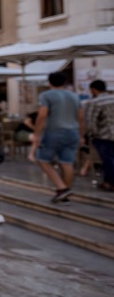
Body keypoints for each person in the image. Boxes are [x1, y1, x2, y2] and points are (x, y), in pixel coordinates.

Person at [30, 72, 84, 203]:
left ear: (49, 82)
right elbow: (81, 117)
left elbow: (42, 115)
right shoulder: (75, 96)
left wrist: (37, 134)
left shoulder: (46, 95)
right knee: (67, 162)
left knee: (42, 159)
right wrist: (81, 135)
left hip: (54, 131)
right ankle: (64, 192)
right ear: (65, 82)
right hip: (73, 132)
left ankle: (62, 188)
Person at [84, 80, 114, 192]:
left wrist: (93, 134)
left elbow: (91, 122)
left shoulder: (95, 102)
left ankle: (109, 182)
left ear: (93, 89)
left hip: (104, 135)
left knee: (107, 159)